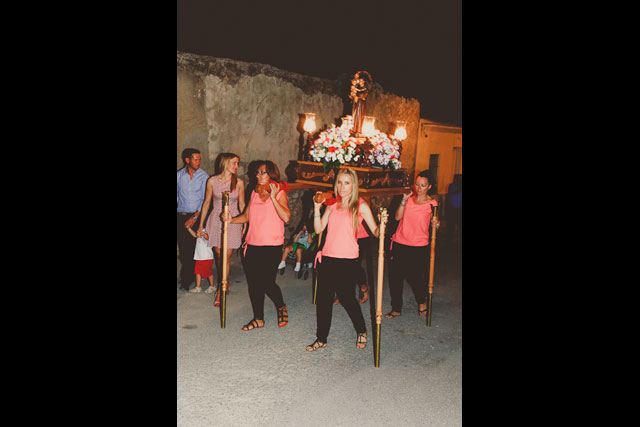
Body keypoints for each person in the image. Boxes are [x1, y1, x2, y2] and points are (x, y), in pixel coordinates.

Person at [306, 168, 385, 352]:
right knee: (324, 300)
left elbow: (375, 231)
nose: (342, 187)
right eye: (339, 182)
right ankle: (321, 338)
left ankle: (361, 329)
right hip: (328, 257)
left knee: (347, 299)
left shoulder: (360, 205)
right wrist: (317, 209)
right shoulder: (332, 204)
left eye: (347, 183)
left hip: (348, 259)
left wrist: (382, 225)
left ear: (354, 185)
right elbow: (318, 229)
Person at [222, 160, 290, 331]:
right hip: (252, 244)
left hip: (272, 245)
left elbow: (286, 217)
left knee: (267, 282)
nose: (258, 175)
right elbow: (247, 216)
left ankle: (281, 305)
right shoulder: (253, 192)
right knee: (253, 284)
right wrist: (231, 220)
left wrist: (273, 198)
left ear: (271, 174)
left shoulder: (280, 192)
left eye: (263, 172)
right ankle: (258, 318)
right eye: (258, 172)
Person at [384, 170, 440, 320]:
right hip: (399, 242)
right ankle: (396, 308)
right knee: (395, 277)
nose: (419, 188)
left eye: (422, 185)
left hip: (418, 245)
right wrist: (403, 200)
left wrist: (436, 224)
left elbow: (436, 222)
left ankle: (421, 301)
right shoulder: (408, 200)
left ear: (429, 186)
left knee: (414, 277)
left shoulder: (432, 204)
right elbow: (397, 217)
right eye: (417, 184)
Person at [197, 153, 245, 300]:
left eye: (237, 163)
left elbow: (242, 204)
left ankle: (222, 287)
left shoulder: (239, 183)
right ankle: (225, 281)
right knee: (219, 255)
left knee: (227, 255)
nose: (236, 166)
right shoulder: (212, 181)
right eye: (234, 163)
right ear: (225, 163)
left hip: (233, 219)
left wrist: (244, 223)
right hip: (216, 219)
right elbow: (206, 203)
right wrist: (201, 226)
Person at [177, 148, 209, 291]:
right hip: (181, 216)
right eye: (196, 159)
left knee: (196, 249)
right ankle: (187, 277)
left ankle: (193, 277)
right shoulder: (178, 176)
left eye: (199, 159)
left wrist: (195, 217)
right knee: (184, 250)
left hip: (197, 216)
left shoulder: (204, 177)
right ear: (187, 160)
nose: (198, 162)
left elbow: (205, 200)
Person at [186, 228, 215, 293]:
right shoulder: (200, 229)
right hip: (199, 257)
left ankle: (212, 286)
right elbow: (195, 235)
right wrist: (189, 229)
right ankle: (198, 287)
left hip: (207, 257)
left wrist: (203, 233)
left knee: (208, 272)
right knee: (197, 272)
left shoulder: (208, 229)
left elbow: (208, 238)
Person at [446, 174, 462, 242]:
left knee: (453, 223)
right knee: (452, 223)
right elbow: (452, 192)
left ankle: (450, 236)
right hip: (454, 207)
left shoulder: (452, 185)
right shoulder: (452, 185)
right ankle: (450, 237)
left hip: (455, 207)